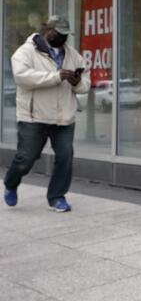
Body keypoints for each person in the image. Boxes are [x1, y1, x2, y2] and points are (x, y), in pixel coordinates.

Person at [3, 15, 90, 212]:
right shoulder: (26, 52)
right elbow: (22, 77)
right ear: (48, 31)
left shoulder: (73, 55)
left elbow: (86, 84)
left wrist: (77, 82)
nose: (63, 39)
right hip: (34, 117)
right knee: (26, 158)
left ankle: (57, 197)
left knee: (65, 156)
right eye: (59, 34)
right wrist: (56, 76)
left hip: (63, 117)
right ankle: (11, 182)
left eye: (66, 35)